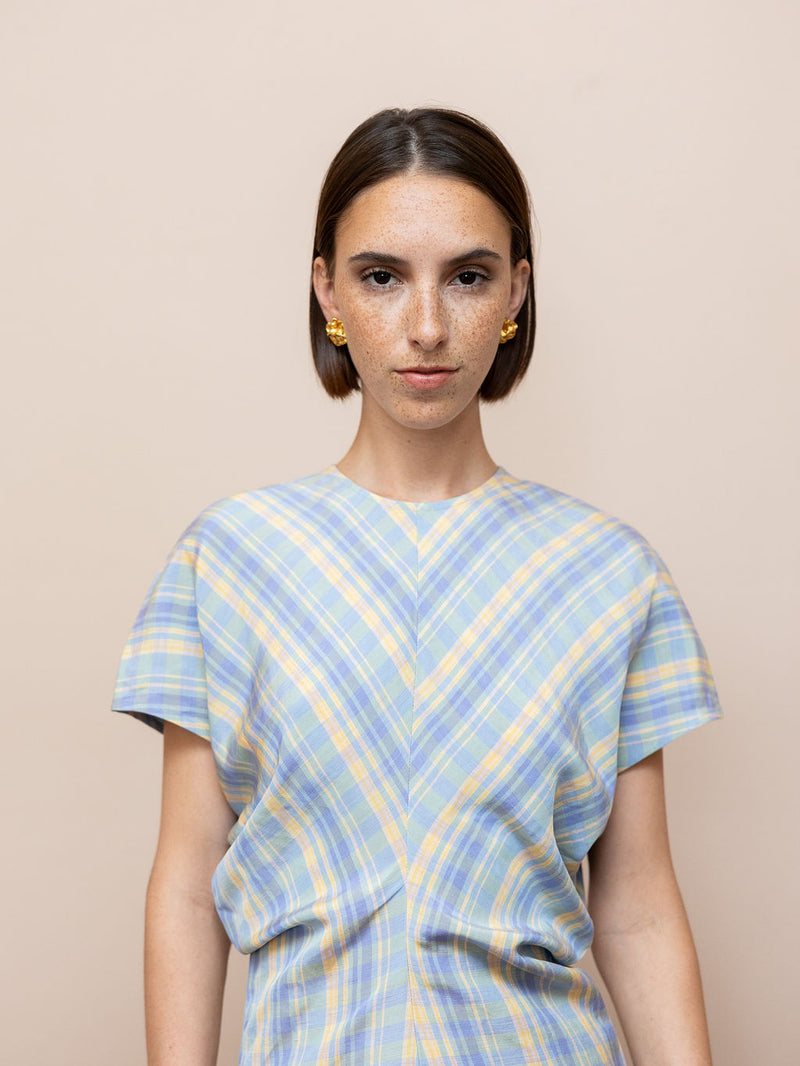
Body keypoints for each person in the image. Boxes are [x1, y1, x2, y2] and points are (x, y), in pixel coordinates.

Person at [112, 107, 722, 1066]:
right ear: (327, 292)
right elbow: (190, 884)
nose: (428, 326)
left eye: (469, 276)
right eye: (383, 276)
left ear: (518, 290)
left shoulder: (608, 574)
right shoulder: (230, 560)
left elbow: (638, 909)